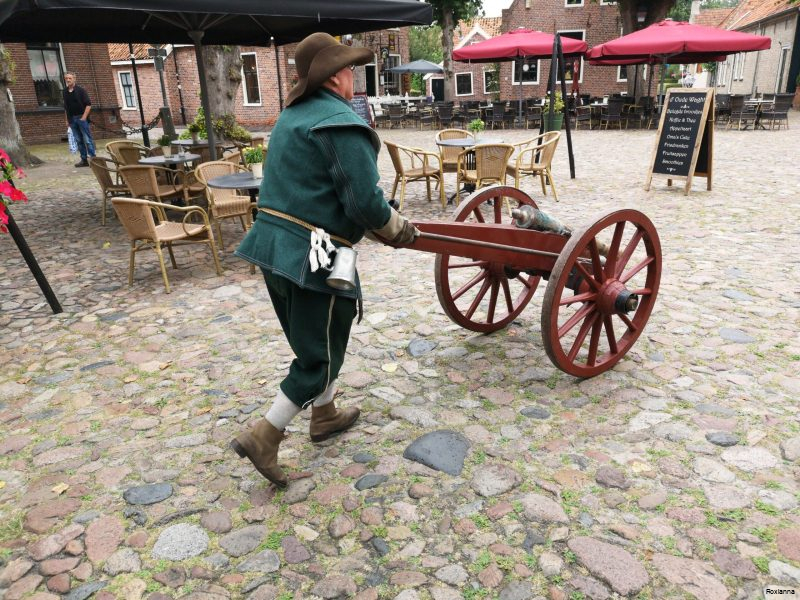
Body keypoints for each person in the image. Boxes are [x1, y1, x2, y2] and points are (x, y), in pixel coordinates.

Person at [233, 32, 418, 488]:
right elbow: (365, 204)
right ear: (335, 76)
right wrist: (399, 229)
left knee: (321, 337)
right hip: (315, 258)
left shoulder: (291, 117)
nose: (353, 75)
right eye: (350, 68)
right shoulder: (341, 123)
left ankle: (325, 414)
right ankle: (265, 435)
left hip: (273, 249)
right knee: (320, 357)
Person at [63, 72, 96, 168]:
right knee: (78, 140)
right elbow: (66, 107)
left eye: (70, 78)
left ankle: (93, 159)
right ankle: (84, 160)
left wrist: (84, 117)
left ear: (74, 79)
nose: (68, 80)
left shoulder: (81, 90)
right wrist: (67, 120)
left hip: (81, 118)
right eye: (66, 78)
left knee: (87, 139)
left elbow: (88, 104)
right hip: (72, 119)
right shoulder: (64, 92)